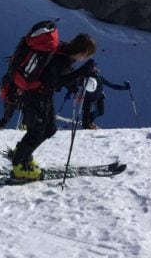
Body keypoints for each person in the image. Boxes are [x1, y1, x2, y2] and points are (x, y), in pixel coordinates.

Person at [9, 33, 98, 180]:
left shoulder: (64, 54)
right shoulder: (61, 57)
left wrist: (74, 83)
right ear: (83, 51)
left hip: (43, 96)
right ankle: (18, 165)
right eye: (87, 55)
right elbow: (54, 81)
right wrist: (81, 72)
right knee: (37, 132)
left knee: (49, 129)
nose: (85, 59)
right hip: (34, 97)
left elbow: (59, 77)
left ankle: (22, 152)